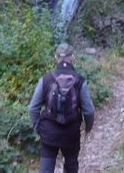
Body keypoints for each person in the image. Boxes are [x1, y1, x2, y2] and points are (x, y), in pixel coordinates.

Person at [29, 43, 95, 173]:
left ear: (56, 57)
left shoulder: (45, 79)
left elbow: (33, 108)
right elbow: (89, 110)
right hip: (71, 133)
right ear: (73, 57)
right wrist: (88, 128)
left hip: (48, 134)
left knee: (46, 170)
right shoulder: (80, 81)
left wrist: (38, 129)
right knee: (71, 166)